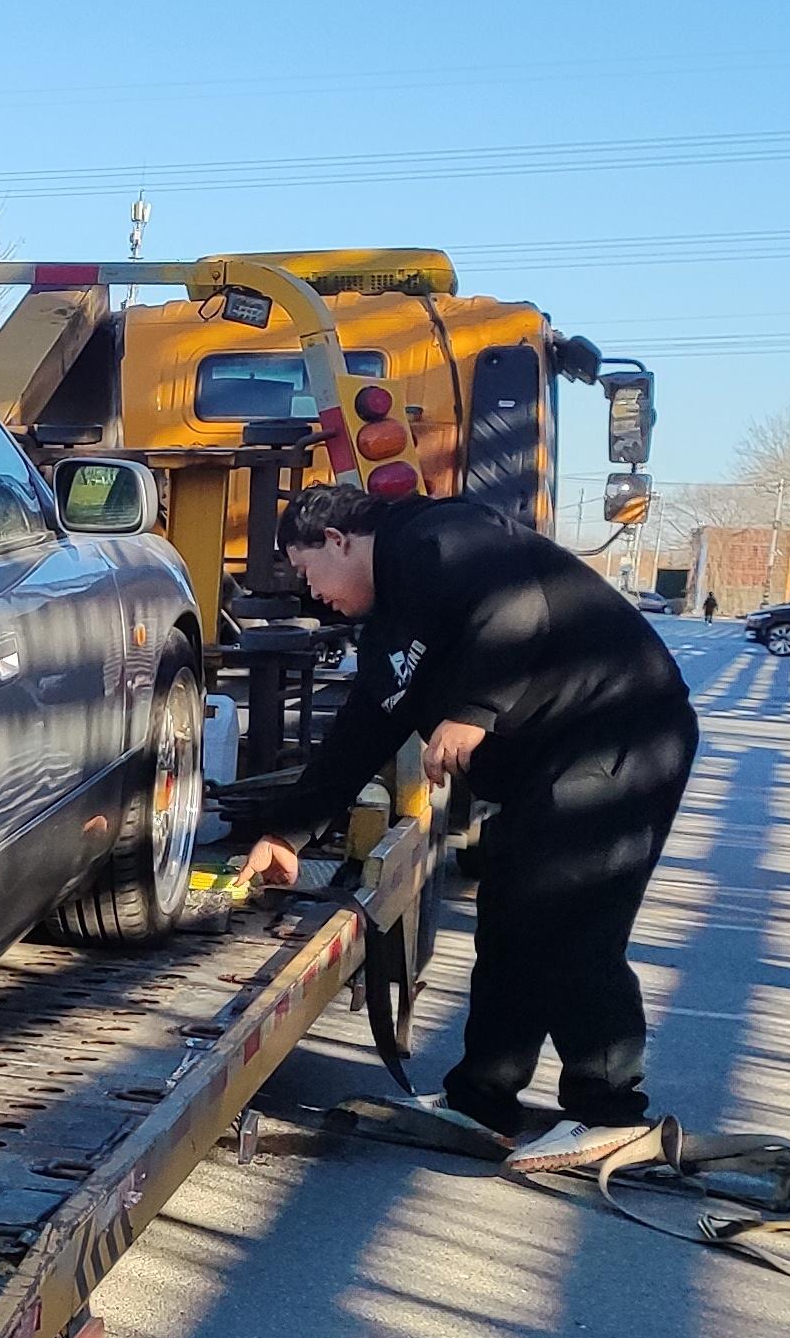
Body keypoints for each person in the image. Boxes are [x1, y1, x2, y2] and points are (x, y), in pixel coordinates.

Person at [240, 481, 698, 1171]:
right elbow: (360, 735)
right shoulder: (392, 626)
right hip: (552, 760)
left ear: (338, 539)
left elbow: (516, 607)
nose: (313, 594)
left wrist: (473, 710)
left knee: (568, 914)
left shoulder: (437, 536)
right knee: (510, 917)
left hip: (619, 730)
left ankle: (611, 1111)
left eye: (309, 572)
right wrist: (288, 833)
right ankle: (482, 1100)